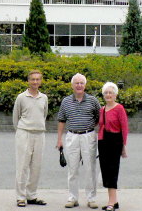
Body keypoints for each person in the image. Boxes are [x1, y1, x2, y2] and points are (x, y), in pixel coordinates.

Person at [56, 73, 100, 209]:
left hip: (89, 136)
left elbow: (99, 119)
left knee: (90, 168)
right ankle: (72, 197)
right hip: (72, 136)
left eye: (81, 83)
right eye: (77, 83)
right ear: (72, 85)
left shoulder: (93, 101)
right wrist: (59, 139)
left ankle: (91, 198)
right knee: (72, 168)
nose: (79, 85)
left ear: (85, 85)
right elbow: (62, 120)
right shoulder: (66, 101)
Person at [13, 70, 49, 207]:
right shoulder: (21, 97)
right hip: (24, 133)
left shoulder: (44, 98)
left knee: (36, 167)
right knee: (22, 166)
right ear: (28, 81)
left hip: (39, 133)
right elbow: (15, 117)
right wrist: (22, 130)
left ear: (41, 81)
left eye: (38, 79)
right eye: (33, 79)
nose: (35, 82)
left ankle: (31, 195)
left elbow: (43, 114)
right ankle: (20, 197)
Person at [97, 82, 128, 211]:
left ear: (115, 94)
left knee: (112, 170)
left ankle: (111, 202)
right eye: (106, 93)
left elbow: (124, 128)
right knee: (105, 171)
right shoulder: (102, 109)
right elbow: (100, 126)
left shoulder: (119, 108)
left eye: (111, 92)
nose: (108, 95)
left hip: (115, 141)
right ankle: (113, 201)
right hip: (103, 141)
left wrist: (123, 145)